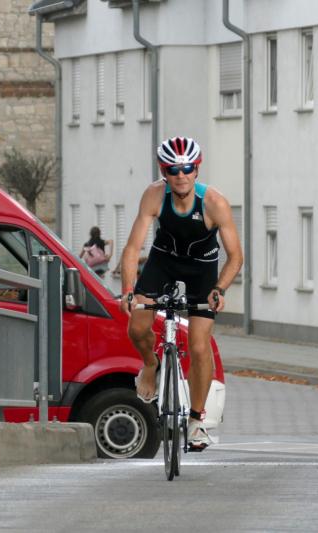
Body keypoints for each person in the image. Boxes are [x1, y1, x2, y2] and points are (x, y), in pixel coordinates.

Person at [119, 136, 243, 451]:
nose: (181, 175)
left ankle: (196, 420)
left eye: (187, 168)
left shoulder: (214, 203)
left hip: (202, 268)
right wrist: (128, 290)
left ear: (196, 170)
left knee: (200, 345)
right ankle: (151, 364)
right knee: (137, 326)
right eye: (173, 170)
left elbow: (235, 257)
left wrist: (219, 289)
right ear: (164, 172)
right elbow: (133, 247)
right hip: (164, 260)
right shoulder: (154, 195)